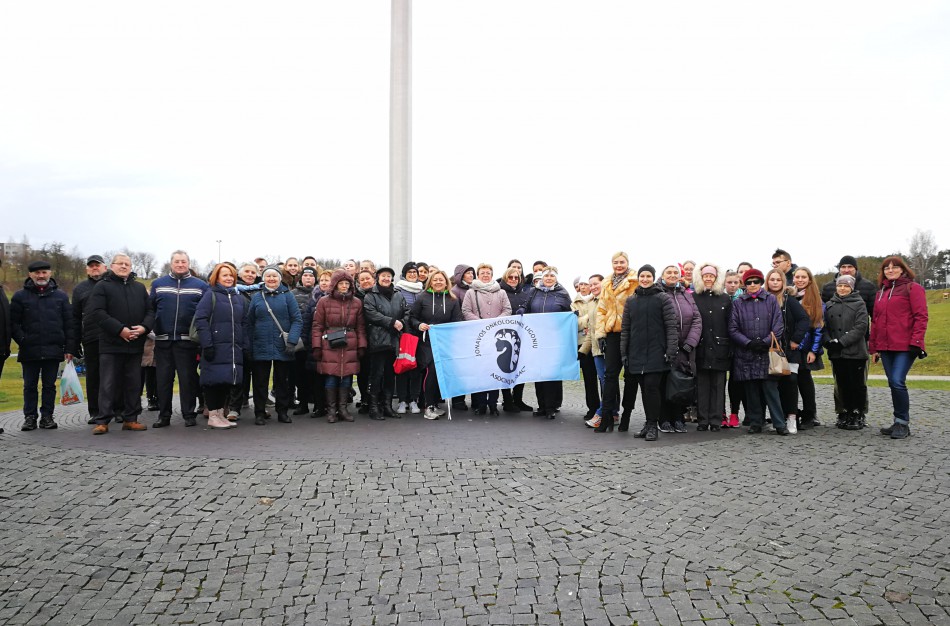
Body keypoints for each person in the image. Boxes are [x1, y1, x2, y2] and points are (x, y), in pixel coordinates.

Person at [88, 253, 155, 434]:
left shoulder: (139, 288)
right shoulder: (102, 286)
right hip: (111, 344)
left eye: (127, 264)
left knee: (133, 384)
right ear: (112, 266)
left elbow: (150, 311)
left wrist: (144, 328)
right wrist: (119, 330)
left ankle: (131, 419)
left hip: (135, 344)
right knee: (108, 384)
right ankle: (103, 420)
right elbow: (97, 312)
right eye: (120, 263)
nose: (124, 266)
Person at [10, 260, 75, 431]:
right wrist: (23, 340)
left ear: (50, 273)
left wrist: (69, 347)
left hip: (53, 349)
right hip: (29, 349)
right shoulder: (19, 297)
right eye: (37, 273)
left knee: (49, 386)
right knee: (29, 386)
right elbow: (13, 323)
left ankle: (47, 417)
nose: (41, 276)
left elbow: (69, 324)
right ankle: (30, 417)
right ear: (30, 275)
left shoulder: (61, 297)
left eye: (44, 272)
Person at [869, 256, 929, 440]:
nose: (890, 270)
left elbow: (921, 316)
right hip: (885, 346)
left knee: (897, 381)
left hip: (905, 345)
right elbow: (876, 321)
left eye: (894, 267)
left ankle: (903, 422)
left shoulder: (913, 288)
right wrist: (874, 347)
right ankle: (897, 421)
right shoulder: (881, 292)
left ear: (902, 269)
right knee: (892, 383)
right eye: (887, 268)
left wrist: (916, 341)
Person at [616, 265, 678, 441]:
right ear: (638, 278)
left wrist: (670, 350)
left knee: (652, 387)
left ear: (653, 278)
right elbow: (626, 329)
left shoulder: (663, 298)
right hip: (636, 352)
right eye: (642, 276)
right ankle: (648, 423)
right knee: (644, 389)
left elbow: (671, 326)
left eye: (648, 276)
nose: (645, 279)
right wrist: (624, 352)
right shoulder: (631, 301)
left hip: (657, 351)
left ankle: (652, 425)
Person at [149, 250, 208, 428]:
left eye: (183, 261)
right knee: (163, 380)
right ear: (171, 263)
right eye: (177, 261)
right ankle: (164, 415)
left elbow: (204, 313)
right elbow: (150, 310)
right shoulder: (158, 284)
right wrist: (153, 330)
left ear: (188, 264)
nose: (180, 264)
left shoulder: (200, 285)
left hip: (187, 341)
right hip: (163, 341)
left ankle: (189, 414)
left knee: (187, 380)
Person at [729, 268, 788, 435]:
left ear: (761, 283)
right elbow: (733, 328)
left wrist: (765, 342)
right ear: (745, 284)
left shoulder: (770, 300)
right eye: (749, 282)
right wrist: (748, 343)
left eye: (756, 281)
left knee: (771, 390)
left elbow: (778, 325)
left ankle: (779, 423)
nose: (753, 285)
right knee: (751, 391)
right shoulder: (738, 303)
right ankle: (756, 422)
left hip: (767, 352)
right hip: (747, 352)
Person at [193, 263, 249, 429]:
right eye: (225, 275)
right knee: (213, 382)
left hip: (233, 349)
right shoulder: (210, 295)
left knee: (226, 381)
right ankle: (213, 415)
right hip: (215, 346)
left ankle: (220, 414)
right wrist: (207, 344)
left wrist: (244, 344)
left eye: (231, 275)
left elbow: (244, 323)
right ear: (216, 278)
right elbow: (201, 320)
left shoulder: (238, 298)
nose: (229, 278)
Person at [246, 266, 302, 425]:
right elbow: (249, 322)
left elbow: (297, 320)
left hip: (283, 345)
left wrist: (292, 341)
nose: (271, 279)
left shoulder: (288, 296)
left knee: (282, 381)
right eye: (268, 276)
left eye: (274, 276)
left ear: (280, 278)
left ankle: (282, 412)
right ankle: (259, 412)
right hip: (260, 344)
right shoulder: (257, 297)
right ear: (263, 278)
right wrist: (249, 345)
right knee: (260, 382)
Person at [312, 270, 367, 423]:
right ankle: (331, 410)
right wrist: (317, 346)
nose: (344, 286)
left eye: (346, 283)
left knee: (347, 377)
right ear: (335, 285)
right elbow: (317, 326)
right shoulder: (324, 301)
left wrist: (362, 345)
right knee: (331, 376)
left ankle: (343, 409)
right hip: (329, 342)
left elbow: (360, 327)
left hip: (350, 343)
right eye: (341, 283)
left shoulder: (356, 302)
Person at [409, 269, 463, 420]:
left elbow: (457, 320)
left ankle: (434, 403)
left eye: (441, 280)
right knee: (431, 370)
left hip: (444, 342)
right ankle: (428, 406)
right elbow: (412, 317)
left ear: (446, 282)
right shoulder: (422, 297)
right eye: (435, 279)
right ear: (430, 282)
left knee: (440, 373)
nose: (438, 282)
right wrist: (419, 325)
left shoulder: (453, 300)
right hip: (426, 342)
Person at [595, 252, 638, 430]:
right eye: (615, 262)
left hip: (631, 333)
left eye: (622, 262)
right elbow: (601, 309)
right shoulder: (607, 282)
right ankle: (607, 417)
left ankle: (626, 415)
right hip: (612, 334)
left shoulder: (635, 281)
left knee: (630, 376)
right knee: (610, 375)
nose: (619, 265)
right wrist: (600, 334)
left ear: (627, 263)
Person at [462, 263, 512, 416]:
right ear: (478, 275)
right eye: (482, 273)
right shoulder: (471, 292)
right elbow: (466, 310)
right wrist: (481, 323)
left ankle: (493, 404)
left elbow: (507, 310)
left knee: (495, 371)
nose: (485, 275)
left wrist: (495, 323)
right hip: (479, 336)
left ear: (492, 275)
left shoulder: (501, 292)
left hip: (496, 337)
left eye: (488, 273)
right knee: (481, 371)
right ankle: (481, 403)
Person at [523, 267, 573, 419]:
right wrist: (521, 311)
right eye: (546, 276)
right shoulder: (533, 292)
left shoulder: (562, 293)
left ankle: (551, 407)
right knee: (539, 373)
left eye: (552, 276)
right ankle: (542, 406)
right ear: (542, 278)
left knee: (551, 373)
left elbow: (569, 313)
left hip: (554, 340)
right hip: (536, 339)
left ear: (556, 278)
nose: (549, 278)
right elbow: (526, 306)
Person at [765, 268, 809, 434]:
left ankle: (792, 417)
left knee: (790, 382)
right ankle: (779, 417)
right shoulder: (764, 299)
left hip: (789, 350)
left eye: (778, 280)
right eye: (772, 279)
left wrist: (796, 339)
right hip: (770, 350)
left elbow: (804, 319)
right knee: (774, 384)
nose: (775, 282)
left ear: (783, 282)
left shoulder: (789, 300)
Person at [658, 265, 702, 433]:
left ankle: (678, 417)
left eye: (675, 272)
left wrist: (690, 342)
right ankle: (664, 418)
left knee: (680, 382)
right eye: (668, 272)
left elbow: (697, 319)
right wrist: (667, 344)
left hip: (685, 348)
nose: (672, 275)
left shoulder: (686, 294)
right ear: (662, 275)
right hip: (665, 347)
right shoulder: (658, 294)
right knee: (664, 383)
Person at [823, 275, 869, 430]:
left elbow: (861, 327)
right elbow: (823, 326)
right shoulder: (829, 305)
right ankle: (846, 411)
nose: (842, 288)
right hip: (837, 353)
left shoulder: (859, 304)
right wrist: (828, 341)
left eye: (846, 286)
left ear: (852, 288)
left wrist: (842, 342)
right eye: (840, 285)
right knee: (842, 384)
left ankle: (857, 412)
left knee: (856, 384)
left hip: (855, 352)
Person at [363, 266, 408, 420]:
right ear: (378, 278)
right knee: (376, 375)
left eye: (389, 276)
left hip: (394, 340)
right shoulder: (371, 295)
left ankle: (387, 406)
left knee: (390, 374)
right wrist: (392, 322)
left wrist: (402, 322)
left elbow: (407, 312)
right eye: (383, 276)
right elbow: (371, 314)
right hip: (378, 340)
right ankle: (374, 407)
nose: (386, 278)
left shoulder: (398, 295)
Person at [693, 264, 732, 431]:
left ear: (716, 278)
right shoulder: (694, 297)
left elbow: (730, 324)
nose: (708, 279)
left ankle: (716, 420)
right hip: (701, 347)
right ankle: (703, 419)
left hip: (720, 347)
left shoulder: (724, 298)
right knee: (702, 386)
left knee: (718, 385)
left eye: (711, 276)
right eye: (705, 276)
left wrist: (729, 347)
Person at [71, 255, 108, 424]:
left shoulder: (112, 284)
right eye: (91, 266)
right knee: (93, 376)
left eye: (97, 265)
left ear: (105, 267)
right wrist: (75, 341)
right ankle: (95, 411)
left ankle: (117, 409)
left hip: (112, 336)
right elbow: (75, 317)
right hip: (91, 337)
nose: (94, 268)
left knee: (115, 374)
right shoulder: (80, 289)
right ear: (87, 269)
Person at [791, 267, 825, 430]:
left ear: (809, 280)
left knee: (805, 382)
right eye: (797, 277)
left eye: (803, 277)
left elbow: (818, 327)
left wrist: (814, 350)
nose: (800, 280)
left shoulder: (815, 299)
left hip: (806, 347)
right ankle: (793, 412)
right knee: (791, 381)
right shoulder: (791, 296)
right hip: (792, 346)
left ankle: (810, 414)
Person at [498, 266, 533, 413]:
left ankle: (518, 399)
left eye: (516, 277)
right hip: (505, 334)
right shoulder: (500, 292)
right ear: (505, 278)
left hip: (522, 334)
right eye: (510, 277)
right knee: (505, 368)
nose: (513, 280)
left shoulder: (525, 293)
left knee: (520, 367)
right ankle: (507, 400)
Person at [394, 262, 424, 414]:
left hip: (419, 335)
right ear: (404, 274)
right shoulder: (397, 290)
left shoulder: (422, 291)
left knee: (416, 369)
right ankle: (402, 400)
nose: (412, 274)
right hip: (403, 334)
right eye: (409, 272)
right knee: (402, 368)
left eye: (415, 272)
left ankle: (413, 399)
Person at [291, 267, 318, 415]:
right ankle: (302, 403)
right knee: (299, 373)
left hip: (316, 338)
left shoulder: (320, 293)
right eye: (305, 275)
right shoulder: (292, 294)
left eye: (311, 276)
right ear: (301, 278)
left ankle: (317, 402)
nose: (308, 278)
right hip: (300, 338)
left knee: (315, 373)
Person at [572, 275, 599, 419]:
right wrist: (590, 317)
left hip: (598, 342)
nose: (583, 287)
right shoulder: (574, 303)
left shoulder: (599, 299)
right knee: (589, 379)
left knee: (605, 378)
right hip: (583, 343)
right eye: (581, 284)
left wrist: (586, 320)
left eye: (586, 284)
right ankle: (592, 408)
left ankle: (609, 410)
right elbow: (575, 323)